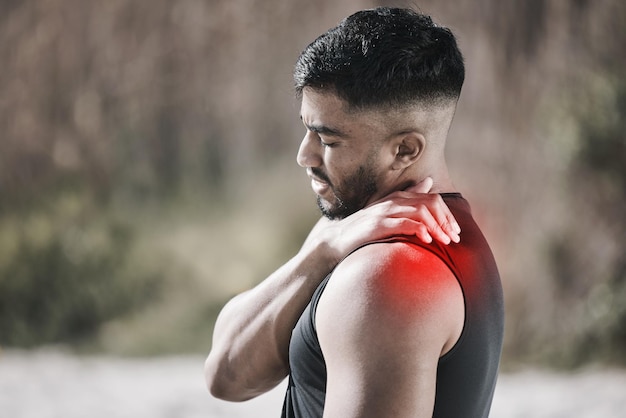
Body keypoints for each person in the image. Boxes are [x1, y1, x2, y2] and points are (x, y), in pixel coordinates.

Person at [205, 6, 504, 418]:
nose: (303, 155)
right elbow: (225, 374)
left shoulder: (387, 275)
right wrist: (322, 250)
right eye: (307, 128)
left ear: (405, 150)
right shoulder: (353, 232)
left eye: (327, 140)